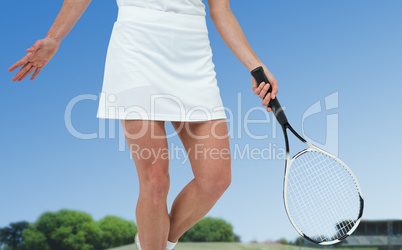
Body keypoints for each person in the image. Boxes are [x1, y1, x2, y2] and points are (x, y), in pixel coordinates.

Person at [8, 0, 278, 249]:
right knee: (155, 180)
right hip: (136, 48)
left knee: (216, 179)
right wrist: (54, 39)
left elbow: (220, 10)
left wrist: (255, 67)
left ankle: (156, 242)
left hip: (193, 52)